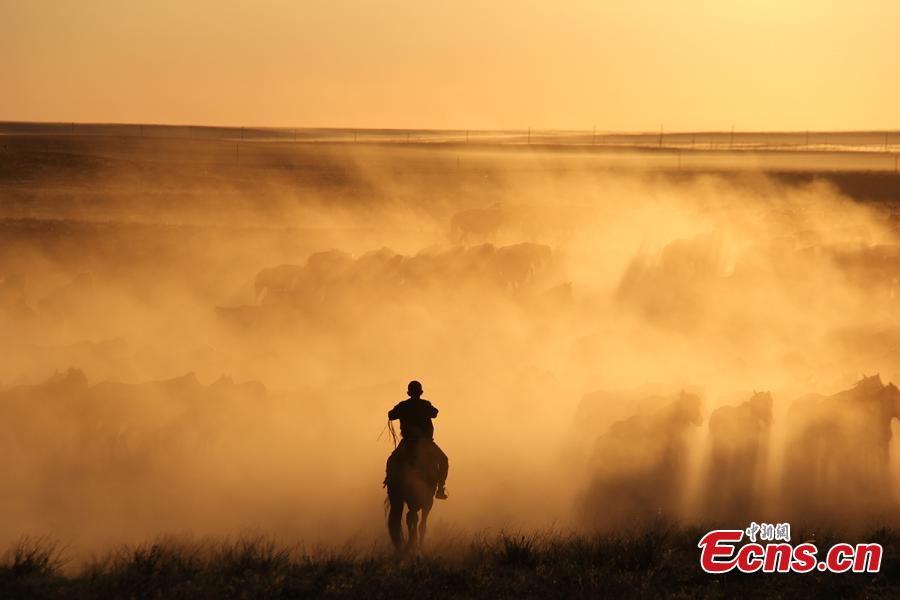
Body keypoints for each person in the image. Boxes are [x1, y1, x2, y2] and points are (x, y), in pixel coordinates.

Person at [385, 380, 449, 499]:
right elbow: (435, 413)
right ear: (421, 392)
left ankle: (390, 483)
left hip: (407, 443)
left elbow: (391, 415)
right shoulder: (425, 405)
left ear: (408, 393)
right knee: (444, 460)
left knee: (392, 460)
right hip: (426, 444)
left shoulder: (403, 406)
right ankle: (440, 489)